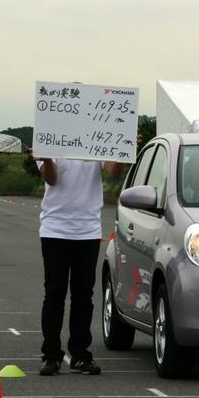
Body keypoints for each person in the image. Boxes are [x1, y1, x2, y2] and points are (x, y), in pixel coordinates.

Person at [31, 151, 126, 376]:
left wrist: (123, 148)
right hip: (55, 228)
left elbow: (114, 171)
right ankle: (51, 355)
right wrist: (46, 158)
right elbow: (51, 179)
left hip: (88, 229)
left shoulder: (96, 137)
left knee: (83, 295)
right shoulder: (49, 134)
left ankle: (80, 354)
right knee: (54, 294)